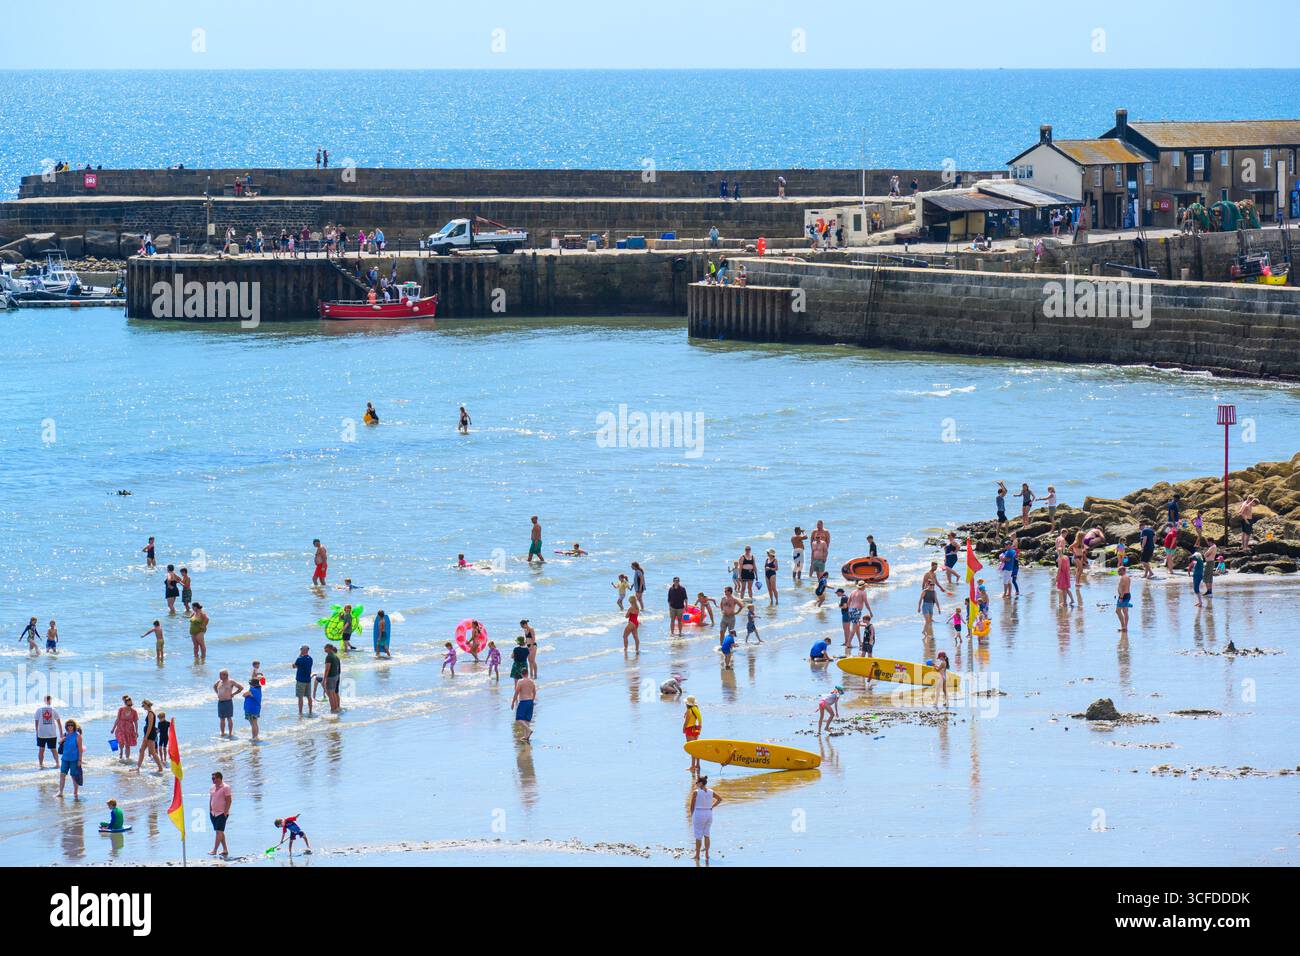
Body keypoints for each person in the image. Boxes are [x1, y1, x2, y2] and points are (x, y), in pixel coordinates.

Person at [689, 775, 722, 865]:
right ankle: (707, 854)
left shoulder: (696, 792)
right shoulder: (711, 791)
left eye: (697, 782)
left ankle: (697, 855)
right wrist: (712, 806)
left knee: (698, 836)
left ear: (701, 783)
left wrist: (692, 815)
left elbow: (691, 806)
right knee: (707, 834)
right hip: (708, 813)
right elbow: (720, 799)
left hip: (699, 813)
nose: (696, 784)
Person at [209, 772, 232, 858]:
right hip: (213, 813)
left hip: (221, 813)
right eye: (212, 778)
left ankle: (214, 850)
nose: (213, 780)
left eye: (214, 778)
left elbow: (229, 801)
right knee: (219, 832)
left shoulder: (226, 787)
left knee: (219, 832)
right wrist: (210, 810)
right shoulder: (212, 787)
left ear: (219, 778)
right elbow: (211, 799)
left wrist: (225, 813)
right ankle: (225, 849)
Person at [58, 719, 83, 798]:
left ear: (74, 726)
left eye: (71, 725)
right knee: (62, 775)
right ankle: (61, 792)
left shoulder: (77, 735)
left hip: (74, 759)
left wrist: (80, 760)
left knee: (73, 776)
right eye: (68, 725)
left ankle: (75, 792)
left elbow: (80, 749)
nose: (70, 727)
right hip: (65, 758)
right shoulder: (65, 734)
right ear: (66, 726)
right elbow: (59, 742)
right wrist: (63, 739)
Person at [213, 671, 244, 737]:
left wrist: (233, 694)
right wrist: (217, 693)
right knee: (221, 718)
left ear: (226, 675)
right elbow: (214, 686)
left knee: (229, 718)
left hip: (228, 702)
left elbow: (241, 688)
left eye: (221, 675)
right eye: (219, 675)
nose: (219, 676)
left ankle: (230, 733)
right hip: (220, 702)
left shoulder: (231, 681)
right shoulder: (219, 681)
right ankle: (222, 733)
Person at [136, 699, 164, 771]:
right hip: (147, 735)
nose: (143, 707)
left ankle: (160, 768)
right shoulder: (149, 713)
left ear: (147, 704)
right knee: (141, 750)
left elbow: (150, 726)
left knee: (152, 752)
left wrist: (146, 736)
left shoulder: (151, 713)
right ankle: (137, 768)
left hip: (150, 735)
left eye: (143, 705)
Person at [35, 695, 62, 768]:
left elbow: (36, 722)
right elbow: (59, 722)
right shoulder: (54, 709)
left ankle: (41, 765)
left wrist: (37, 733)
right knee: (53, 749)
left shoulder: (38, 710)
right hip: (52, 734)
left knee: (41, 750)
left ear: (44, 700)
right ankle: (58, 764)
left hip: (41, 734)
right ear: (50, 700)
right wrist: (61, 733)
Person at [511, 673, 537, 742]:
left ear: (522, 674)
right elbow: (534, 692)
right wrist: (532, 700)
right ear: (527, 673)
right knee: (527, 719)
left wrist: (513, 702)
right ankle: (526, 736)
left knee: (519, 718)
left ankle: (529, 730)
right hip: (530, 701)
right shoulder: (532, 681)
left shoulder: (520, 681)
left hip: (523, 701)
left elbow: (516, 693)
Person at [112, 695, 138, 761]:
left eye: (131, 705)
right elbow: (117, 719)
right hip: (120, 729)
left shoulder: (134, 712)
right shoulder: (121, 709)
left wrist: (136, 731)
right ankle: (120, 754)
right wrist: (113, 728)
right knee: (121, 743)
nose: (130, 706)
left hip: (129, 730)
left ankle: (127, 759)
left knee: (127, 745)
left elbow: (135, 722)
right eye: (128, 705)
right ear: (125, 703)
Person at [683, 697, 703, 774]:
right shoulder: (695, 709)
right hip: (695, 729)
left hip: (689, 729)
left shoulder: (689, 711)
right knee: (696, 748)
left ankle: (692, 766)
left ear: (687, 704)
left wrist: (683, 729)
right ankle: (697, 765)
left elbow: (686, 722)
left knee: (691, 748)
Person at [322, 644, 341, 711]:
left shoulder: (329, 657)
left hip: (331, 677)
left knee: (330, 694)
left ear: (329, 648)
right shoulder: (335, 656)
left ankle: (333, 709)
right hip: (335, 676)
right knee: (334, 693)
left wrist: (324, 679)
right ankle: (336, 707)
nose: (324, 649)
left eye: (325, 648)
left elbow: (327, 669)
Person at [1115, 565, 1133, 632]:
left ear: (1123, 571)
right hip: (1127, 595)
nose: (1118, 572)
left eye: (1119, 571)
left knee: (1118, 611)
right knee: (1125, 611)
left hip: (1123, 596)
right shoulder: (1127, 577)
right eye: (1118, 571)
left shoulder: (1123, 578)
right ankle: (1124, 627)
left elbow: (1123, 588)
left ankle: (1123, 627)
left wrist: (1121, 597)